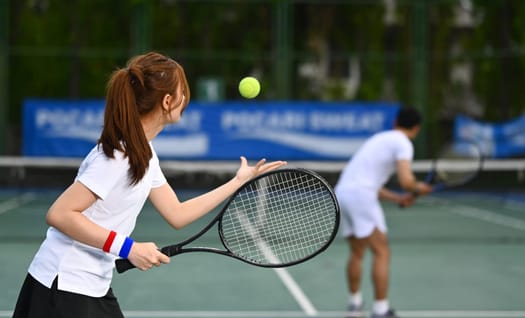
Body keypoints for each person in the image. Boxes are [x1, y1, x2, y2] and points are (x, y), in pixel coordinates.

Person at [12, 51, 287, 318]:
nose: (186, 100)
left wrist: (238, 182)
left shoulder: (144, 153)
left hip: (89, 286)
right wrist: (128, 248)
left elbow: (177, 214)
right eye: (183, 93)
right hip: (62, 286)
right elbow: (60, 214)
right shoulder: (119, 156)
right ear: (167, 101)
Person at [334, 106, 432, 318]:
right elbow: (407, 181)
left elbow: (369, 182)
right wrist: (418, 188)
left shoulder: (380, 139)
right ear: (416, 128)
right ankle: (380, 310)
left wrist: (398, 198)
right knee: (382, 252)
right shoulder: (403, 143)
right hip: (361, 196)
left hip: (342, 193)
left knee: (357, 252)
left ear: (396, 123)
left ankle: (354, 306)